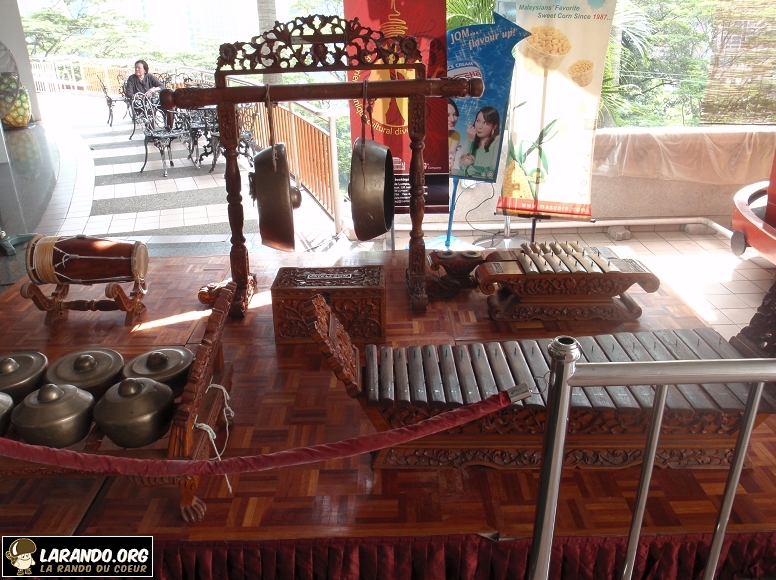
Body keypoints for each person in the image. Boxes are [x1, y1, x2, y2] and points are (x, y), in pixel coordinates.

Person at [457, 106, 501, 178]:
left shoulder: (497, 141)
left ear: (494, 127)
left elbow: (493, 170)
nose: (479, 126)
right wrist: (470, 140)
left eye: (485, 123)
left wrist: (470, 169)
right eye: (478, 121)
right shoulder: (472, 140)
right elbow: (462, 166)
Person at [448, 99, 461, 171]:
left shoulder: (455, 135)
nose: (452, 119)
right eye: (447, 115)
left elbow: (451, 155)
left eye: (455, 114)